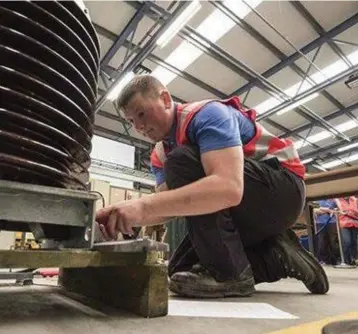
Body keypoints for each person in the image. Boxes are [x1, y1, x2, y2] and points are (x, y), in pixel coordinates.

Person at [96, 74, 328, 298]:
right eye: (131, 121)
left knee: (180, 162)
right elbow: (169, 208)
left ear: (165, 99)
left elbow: (229, 188)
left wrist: (144, 205)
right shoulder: (160, 154)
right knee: (180, 272)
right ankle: (276, 256)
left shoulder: (208, 115)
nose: (139, 127)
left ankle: (231, 274)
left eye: (142, 113)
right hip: (246, 207)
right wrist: (124, 213)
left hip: (282, 193)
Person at [314, 199, 339, 265]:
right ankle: (325, 260)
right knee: (322, 243)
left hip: (332, 222)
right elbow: (315, 210)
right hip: (320, 223)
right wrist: (328, 210)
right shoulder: (317, 200)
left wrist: (322, 210)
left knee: (333, 242)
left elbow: (337, 210)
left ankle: (336, 260)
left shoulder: (333, 199)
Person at [334, 196, 358, 265]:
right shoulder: (338, 200)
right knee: (347, 242)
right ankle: (346, 260)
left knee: (354, 242)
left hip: (354, 224)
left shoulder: (354, 199)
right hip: (344, 224)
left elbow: (356, 210)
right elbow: (337, 211)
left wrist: (349, 212)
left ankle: (354, 259)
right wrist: (350, 212)